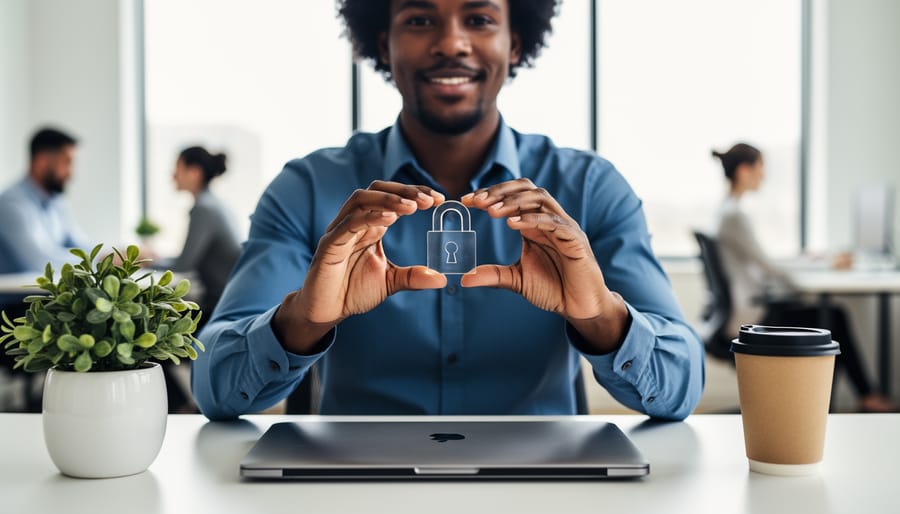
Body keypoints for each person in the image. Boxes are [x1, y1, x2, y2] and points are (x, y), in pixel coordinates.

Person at [191, 0, 705, 421]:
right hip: (358, 490)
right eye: (419, 20)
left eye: (479, 20)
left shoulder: (590, 189)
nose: (451, 43)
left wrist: (600, 317)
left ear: (516, 42)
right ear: (382, 45)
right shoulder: (307, 189)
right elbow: (213, 386)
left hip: (542, 489)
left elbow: (681, 388)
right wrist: (302, 321)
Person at [711, 142, 896, 412]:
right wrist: (826, 264)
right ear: (743, 171)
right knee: (833, 318)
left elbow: (765, 261)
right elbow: (769, 265)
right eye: (761, 168)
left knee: (832, 317)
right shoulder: (734, 215)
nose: (764, 175)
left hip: (750, 307)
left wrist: (815, 260)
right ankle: (852, 400)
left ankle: (856, 398)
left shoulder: (726, 211)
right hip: (754, 317)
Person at [151, 146, 242, 319]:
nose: (173, 175)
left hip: (217, 305)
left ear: (194, 172)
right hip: (226, 298)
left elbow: (183, 265)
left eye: (178, 168)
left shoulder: (204, 209)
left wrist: (146, 262)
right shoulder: (214, 204)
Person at [0, 127, 88, 275]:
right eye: (67, 162)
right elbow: (42, 261)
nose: (70, 174)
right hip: (15, 296)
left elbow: (81, 246)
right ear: (42, 161)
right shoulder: (10, 204)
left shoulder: (56, 203)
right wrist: (102, 262)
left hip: (46, 294)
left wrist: (120, 256)